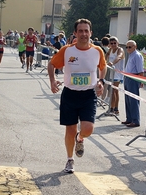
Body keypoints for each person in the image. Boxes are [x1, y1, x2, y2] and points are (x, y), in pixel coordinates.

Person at [47, 18, 107, 173]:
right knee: (70, 129)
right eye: (80, 31)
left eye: (86, 31)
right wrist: (53, 81)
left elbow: (103, 66)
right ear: (75, 33)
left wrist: (100, 81)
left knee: (88, 128)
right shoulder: (67, 50)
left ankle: (80, 139)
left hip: (88, 95)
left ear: (91, 33)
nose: (83, 34)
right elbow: (52, 64)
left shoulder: (97, 51)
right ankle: (69, 160)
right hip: (70, 94)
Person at [122, 40, 144, 127]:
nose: (128, 49)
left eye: (130, 47)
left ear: (135, 46)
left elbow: (140, 70)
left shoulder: (137, 56)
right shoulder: (131, 55)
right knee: (128, 99)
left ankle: (135, 120)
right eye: (127, 47)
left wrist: (141, 81)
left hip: (133, 78)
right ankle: (129, 118)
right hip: (127, 77)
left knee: (133, 100)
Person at [105, 36, 125, 115]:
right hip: (112, 73)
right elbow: (105, 56)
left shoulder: (120, 50)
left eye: (115, 43)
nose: (113, 45)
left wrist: (112, 63)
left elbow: (119, 57)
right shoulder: (110, 50)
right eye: (111, 43)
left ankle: (112, 108)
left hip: (118, 73)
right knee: (115, 91)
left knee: (113, 91)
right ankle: (115, 109)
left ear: (118, 43)